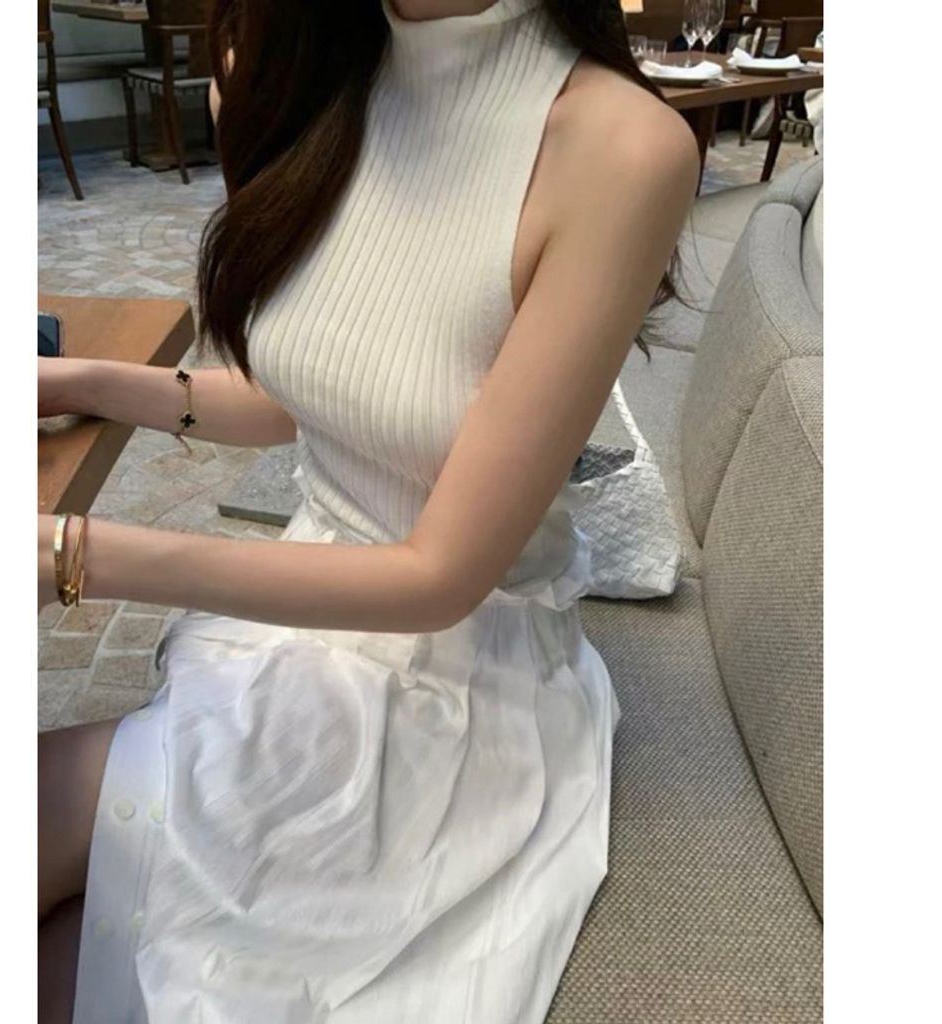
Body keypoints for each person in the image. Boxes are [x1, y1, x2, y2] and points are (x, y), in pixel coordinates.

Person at [37, 1, 698, 1021]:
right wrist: (84, 380)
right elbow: (312, 394)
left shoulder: (620, 148)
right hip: (306, 625)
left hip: (450, 693)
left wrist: (75, 554)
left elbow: (438, 577)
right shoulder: (316, 67)